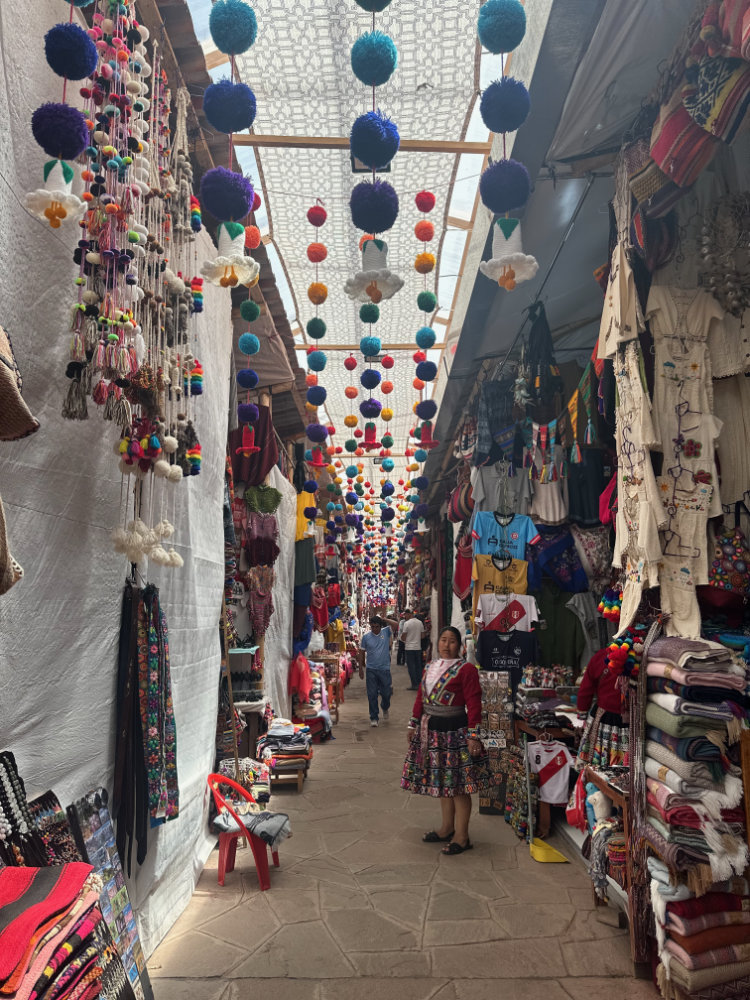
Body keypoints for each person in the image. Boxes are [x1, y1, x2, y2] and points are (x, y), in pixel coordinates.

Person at [401, 625, 493, 855]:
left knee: (459, 785)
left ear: (460, 646)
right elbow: (421, 697)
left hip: (456, 732)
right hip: (432, 731)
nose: (446, 645)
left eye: (452, 641)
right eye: (443, 640)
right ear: (437, 643)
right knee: (443, 781)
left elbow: (474, 703)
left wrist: (474, 735)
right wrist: (413, 723)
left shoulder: (466, 669)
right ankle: (446, 828)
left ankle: (462, 837)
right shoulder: (430, 667)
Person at [359, 614, 398, 727]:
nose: (375, 629)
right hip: (371, 669)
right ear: (370, 626)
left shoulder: (386, 632)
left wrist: (384, 619)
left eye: (377, 626)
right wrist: (361, 668)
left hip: (384, 669)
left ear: (381, 626)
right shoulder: (366, 637)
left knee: (386, 693)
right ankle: (374, 717)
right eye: (373, 627)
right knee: (372, 694)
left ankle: (385, 707)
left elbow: (396, 624)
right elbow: (361, 652)